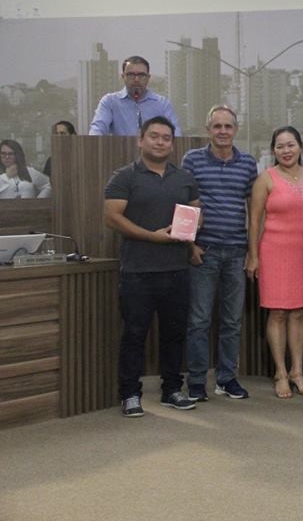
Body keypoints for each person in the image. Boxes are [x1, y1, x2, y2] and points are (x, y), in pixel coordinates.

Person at [103, 116, 200, 417]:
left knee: (174, 335)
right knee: (134, 335)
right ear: (140, 139)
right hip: (138, 272)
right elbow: (112, 217)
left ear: (173, 143)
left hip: (176, 270)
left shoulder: (183, 177)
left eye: (166, 137)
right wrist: (153, 238)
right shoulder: (124, 177)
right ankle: (130, 394)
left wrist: (192, 229)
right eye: (154, 136)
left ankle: (172, 389)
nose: (160, 142)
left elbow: (196, 211)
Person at [181, 105, 259, 402]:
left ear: (235, 130)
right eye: (217, 126)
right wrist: (190, 245)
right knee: (199, 320)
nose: (223, 131)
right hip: (205, 251)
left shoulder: (248, 164)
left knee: (231, 321)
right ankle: (197, 380)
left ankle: (226, 378)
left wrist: (253, 253)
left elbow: (253, 212)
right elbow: (185, 205)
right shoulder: (192, 160)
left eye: (228, 126)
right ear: (208, 129)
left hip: (237, 252)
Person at [247, 126, 303, 399]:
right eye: (280, 146)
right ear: (273, 151)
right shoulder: (265, 179)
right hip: (272, 252)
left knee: (299, 312)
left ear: (300, 147)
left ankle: (297, 371)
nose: (286, 151)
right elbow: (254, 221)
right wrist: (253, 256)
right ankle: (280, 372)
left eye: (290, 145)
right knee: (277, 312)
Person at [89, 56, 181, 137]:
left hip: (156, 155)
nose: (136, 79)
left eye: (141, 75)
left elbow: (175, 134)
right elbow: (97, 130)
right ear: (123, 77)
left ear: (148, 78)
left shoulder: (162, 103)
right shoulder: (110, 101)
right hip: (120, 153)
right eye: (131, 75)